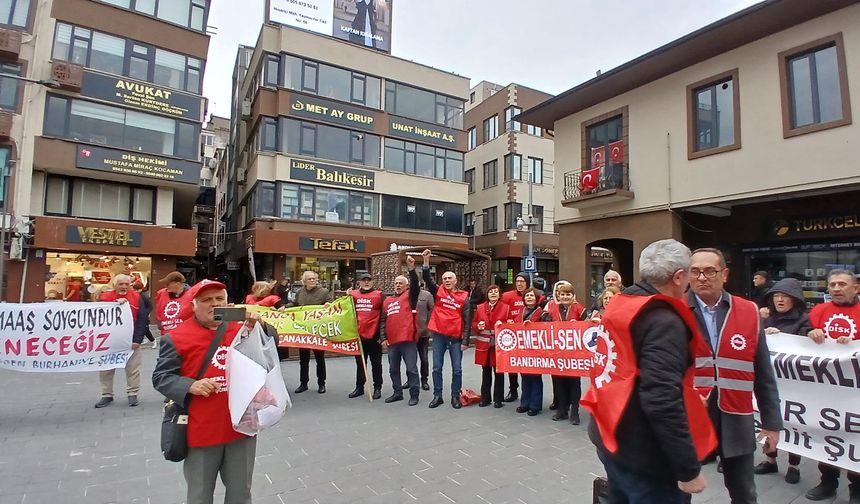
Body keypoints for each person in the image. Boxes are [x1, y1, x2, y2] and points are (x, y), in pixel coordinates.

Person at [583, 239, 716, 503]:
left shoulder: (621, 303)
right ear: (679, 277)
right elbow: (661, 398)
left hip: (609, 433)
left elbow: (627, 368)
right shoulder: (663, 321)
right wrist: (688, 469)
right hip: (644, 453)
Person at [152, 279, 274, 504]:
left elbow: (271, 347)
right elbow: (161, 377)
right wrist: (190, 385)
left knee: (240, 494)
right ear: (194, 305)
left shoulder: (240, 326)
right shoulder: (177, 337)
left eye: (219, 299)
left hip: (241, 427)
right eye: (207, 300)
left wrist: (262, 325)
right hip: (202, 431)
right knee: (200, 495)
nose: (214, 304)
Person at [687, 248, 782, 504]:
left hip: (735, 416)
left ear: (724, 274)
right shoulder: (674, 310)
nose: (702, 277)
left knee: (744, 492)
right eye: (695, 271)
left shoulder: (748, 311)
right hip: (690, 417)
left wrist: (772, 424)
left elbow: (763, 373)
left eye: (710, 271)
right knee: (678, 489)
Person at [804, 269, 860, 502]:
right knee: (826, 434)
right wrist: (809, 332)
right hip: (825, 388)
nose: (836, 288)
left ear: (856, 288)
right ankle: (828, 481)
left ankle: (857, 488)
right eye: (832, 285)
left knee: (856, 438)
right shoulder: (818, 311)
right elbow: (798, 335)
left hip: (855, 390)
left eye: (842, 284)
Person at [751, 278, 810, 484]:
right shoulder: (766, 319)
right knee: (768, 419)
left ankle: (794, 465)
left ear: (794, 299)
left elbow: (806, 344)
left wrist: (784, 336)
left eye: (784, 296)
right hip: (771, 382)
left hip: (795, 385)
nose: (780, 300)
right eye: (776, 296)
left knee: (794, 423)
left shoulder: (803, 321)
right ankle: (770, 459)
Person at [420, 249, 470, 409]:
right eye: (445, 278)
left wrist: (466, 341)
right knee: (436, 367)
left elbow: (468, 320)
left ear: (456, 281)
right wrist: (426, 261)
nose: (447, 280)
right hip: (439, 335)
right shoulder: (439, 291)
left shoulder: (464, 297)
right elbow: (427, 278)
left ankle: (455, 396)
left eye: (450, 278)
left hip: (456, 337)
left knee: (457, 369)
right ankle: (437, 396)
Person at [95, 274, 148, 408]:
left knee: (132, 368)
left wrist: (138, 339)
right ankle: (106, 394)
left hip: (131, 340)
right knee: (106, 368)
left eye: (126, 284)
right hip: (108, 340)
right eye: (121, 284)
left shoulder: (137, 298)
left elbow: (142, 319)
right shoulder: (104, 298)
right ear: (114, 285)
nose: (124, 287)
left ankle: (132, 394)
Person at [380, 256, 422, 405]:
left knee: (411, 369)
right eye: (396, 283)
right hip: (392, 342)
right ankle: (397, 393)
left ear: (406, 286)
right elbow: (383, 321)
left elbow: (416, 285)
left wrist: (411, 269)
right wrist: (383, 338)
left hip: (407, 340)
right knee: (393, 370)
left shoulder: (410, 296)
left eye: (401, 283)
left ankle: (414, 394)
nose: (398, 285)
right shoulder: (387, 301)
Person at [541, 281, 585, 424]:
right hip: (557, 353)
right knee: (560, 383)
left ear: (573, 295)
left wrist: (579, 324)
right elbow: (543, 322)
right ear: (558, 295)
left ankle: (575, 412)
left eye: (568, 294)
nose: (565, 297)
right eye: (563, 294)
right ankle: (562, 410)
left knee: (574, 383)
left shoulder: (579, 308)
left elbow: (589, 323)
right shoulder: (552, 308)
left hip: (574, 355)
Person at [292, 271, 332, 394]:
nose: (313, 281)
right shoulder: (300, 292)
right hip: (303, 330)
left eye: (314, 278)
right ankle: (303, 383)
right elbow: (294, 304)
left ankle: (321, 383)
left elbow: (331, 303)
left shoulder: (324, 292)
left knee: (320, 358)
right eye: (310, 279)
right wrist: (284, 307)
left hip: (318, 330)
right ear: (304, 281)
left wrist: (328, 304)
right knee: (303, 359)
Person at [472, 284, 511, 408]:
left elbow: (511, 323)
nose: (493, 293)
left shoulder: (506, 308)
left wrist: (504, 323)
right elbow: (474, 323)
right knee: (486, 372)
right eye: (490, 292)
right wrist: (478, 326)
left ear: (500, 295)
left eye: (496, 291)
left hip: (499, 346)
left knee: (499, 372)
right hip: (484, 346)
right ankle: (485, 398)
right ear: (487, 294)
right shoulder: (480, 308)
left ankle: (498, 399)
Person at [348, 272, 384, 400]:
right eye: (364, 280)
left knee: (376, 363)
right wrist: (347, 297)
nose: (366, 282)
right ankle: (359, 387)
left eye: (369, 280)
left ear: (372, 282)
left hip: (374, 336)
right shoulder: (353, 294)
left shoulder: (379, 295)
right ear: (359, 282)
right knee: (361, 364)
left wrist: (382, 335)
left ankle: (378, 387)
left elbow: (384, 316)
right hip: (359, 336)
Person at [500, 272, 530, 402]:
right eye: (517, 281)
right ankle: (513, 390)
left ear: (527, 282)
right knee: (511, 365)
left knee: (526, 367)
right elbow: (502, 311)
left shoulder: (533, 296)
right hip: (511, 336)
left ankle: (526, 392)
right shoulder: (507, 296)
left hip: (527, 337)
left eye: (522, 281)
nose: (519, 283)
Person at [515, 288, 544, 416]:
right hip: (522, 350)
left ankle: (535, 405)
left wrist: (533, 325)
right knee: (525, 377)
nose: (529, 297)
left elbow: (546, 328)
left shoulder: (542, 312)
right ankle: (524, 402)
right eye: (527, 296)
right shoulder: (520, 311)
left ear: (536, 298)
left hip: (536, 350)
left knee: (536, 377)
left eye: (532, 295)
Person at [154, 272, 194, 337]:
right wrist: (160, 324)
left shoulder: (192, 295)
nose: (165, 286)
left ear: (177, 284)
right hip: (167, 336)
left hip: (185, 336)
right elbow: (159, 311)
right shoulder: (162, 294)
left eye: (168, 284)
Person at [133, 281, 156, 348]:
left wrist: (145, 313)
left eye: (136, 289)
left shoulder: (144, 296)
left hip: (144, 316)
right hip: (138, 315)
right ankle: (143, 339)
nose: (135, 291)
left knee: (145, 330)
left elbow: (150, 306)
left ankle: (153, 341)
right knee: (141, 329)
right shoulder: (137, 295)